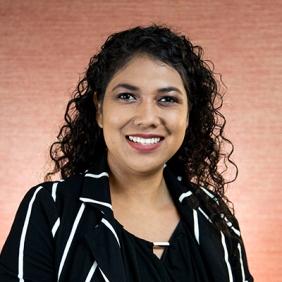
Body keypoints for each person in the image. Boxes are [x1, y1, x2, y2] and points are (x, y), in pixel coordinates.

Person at [0, 25, 253, 282]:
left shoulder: (215, 216)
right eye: (127, 96)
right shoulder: (51, 208)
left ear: (188, 116)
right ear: (99, 109)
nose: (146, 118)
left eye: (167, 99)